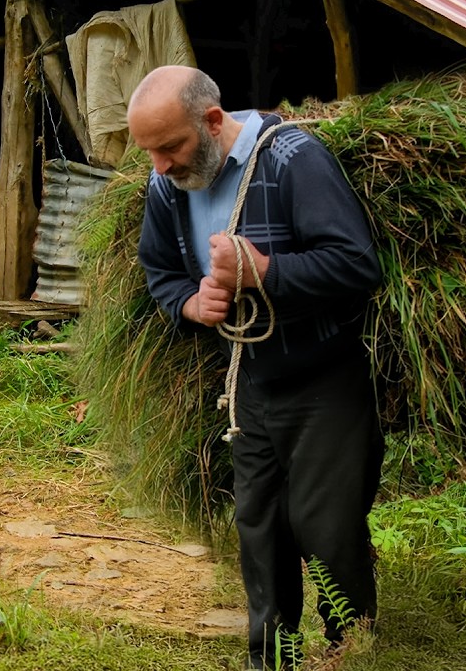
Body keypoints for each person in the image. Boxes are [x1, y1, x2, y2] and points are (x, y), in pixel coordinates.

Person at [127, 65, 385, 670]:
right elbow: (159, 270)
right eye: (150, 152)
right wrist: (190, 303)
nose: (161, 165)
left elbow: (355, 265)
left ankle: (351, 646)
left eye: (171, 147)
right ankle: (270, 660)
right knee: (259, 528)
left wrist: (266, 273)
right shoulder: (167, 184)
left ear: (213, 122)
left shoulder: (294, 158)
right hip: (246, 383)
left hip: (326, 380)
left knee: (323, 524)